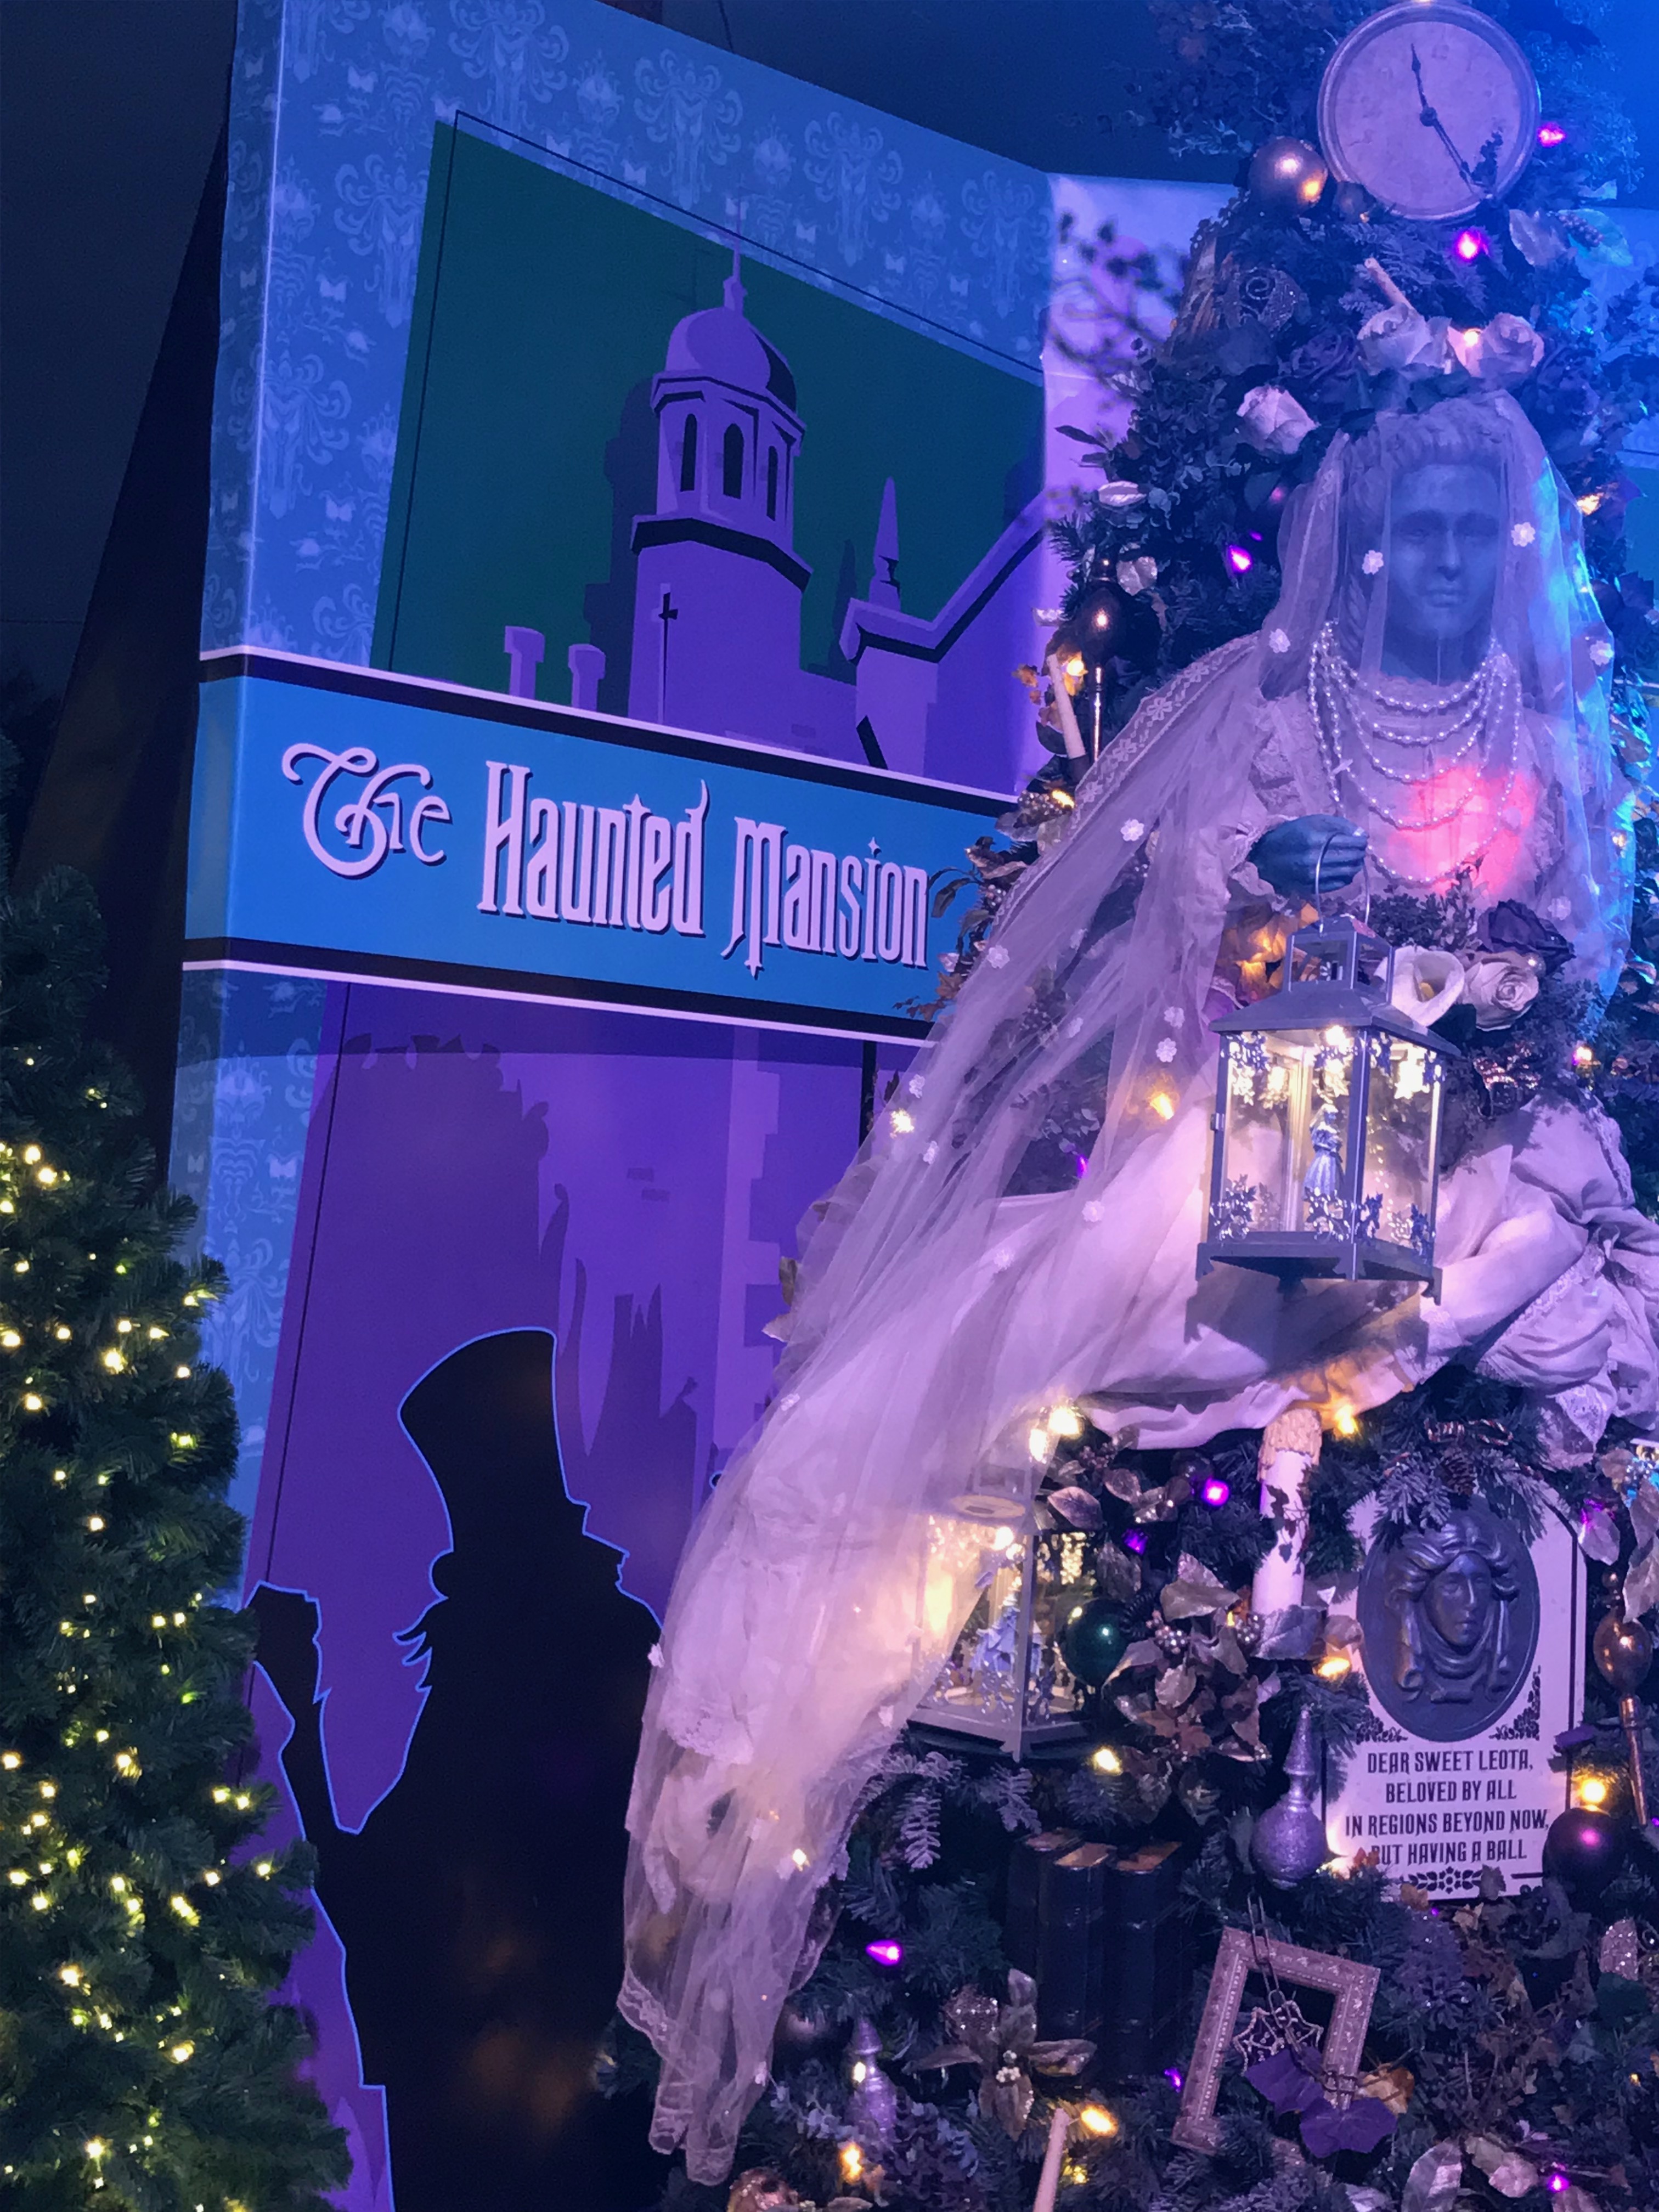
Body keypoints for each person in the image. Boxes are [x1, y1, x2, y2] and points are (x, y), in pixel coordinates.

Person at [619, 391, 1659, 2180]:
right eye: (1409, 526)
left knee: (1525, 1267)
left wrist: (1476, 1036)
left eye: (1464, 532)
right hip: (1277, 1123)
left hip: (1481, 1148)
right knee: (1062, 1333)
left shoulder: (1553, 734)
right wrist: (1313, 1014)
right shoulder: (1266, 709)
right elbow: (1189, 949)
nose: (1435, 561)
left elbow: (1570, 981)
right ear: (1363, 536)